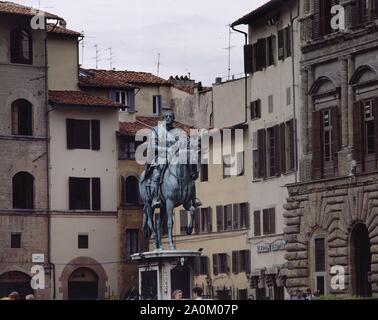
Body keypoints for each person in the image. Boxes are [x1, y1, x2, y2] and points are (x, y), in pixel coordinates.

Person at [145, 109, 201, 209]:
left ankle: (193, 198)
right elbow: (153, 146)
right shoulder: (156, 130)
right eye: (166, 117)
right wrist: (167, 149)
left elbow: (184, 144)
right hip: (161, 157)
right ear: (163, 118)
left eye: (171, 117)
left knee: (189, 173)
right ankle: (155, 198)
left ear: (173, 119)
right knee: (157, 174)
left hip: (175, 157)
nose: (168, 118)